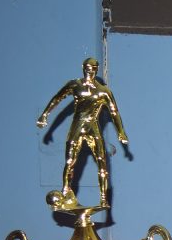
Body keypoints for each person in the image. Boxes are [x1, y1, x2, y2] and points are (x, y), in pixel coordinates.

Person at [36, 58, 128, 212]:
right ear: (82, 68)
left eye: (92, 68)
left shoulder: (103, 91)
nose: (89, 70)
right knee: (70, 161)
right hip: (77, 125)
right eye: (87, 67)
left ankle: (103, 199)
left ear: (97, 69)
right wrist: (44, 115)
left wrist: (121, 132)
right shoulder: (75, 85)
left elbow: (114, 112)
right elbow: (57, 98)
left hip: (92, 126)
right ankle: (66, 191)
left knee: (102, 162)